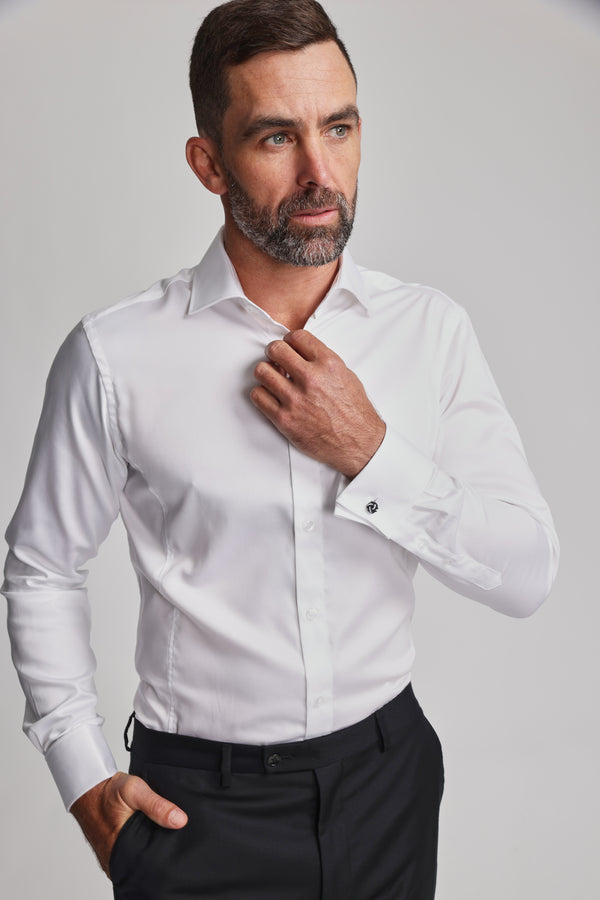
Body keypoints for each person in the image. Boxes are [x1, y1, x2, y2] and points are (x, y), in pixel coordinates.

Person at [2, 1, 559, 898]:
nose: (318, 173)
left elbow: (527, 573)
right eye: (274, 138)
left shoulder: (431, 332)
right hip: (197, 810)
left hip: (390, 782)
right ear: (207, 162)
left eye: (337, 128)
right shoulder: (116, 354)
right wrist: (85, 780)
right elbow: (41, 568)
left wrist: (370, 450)